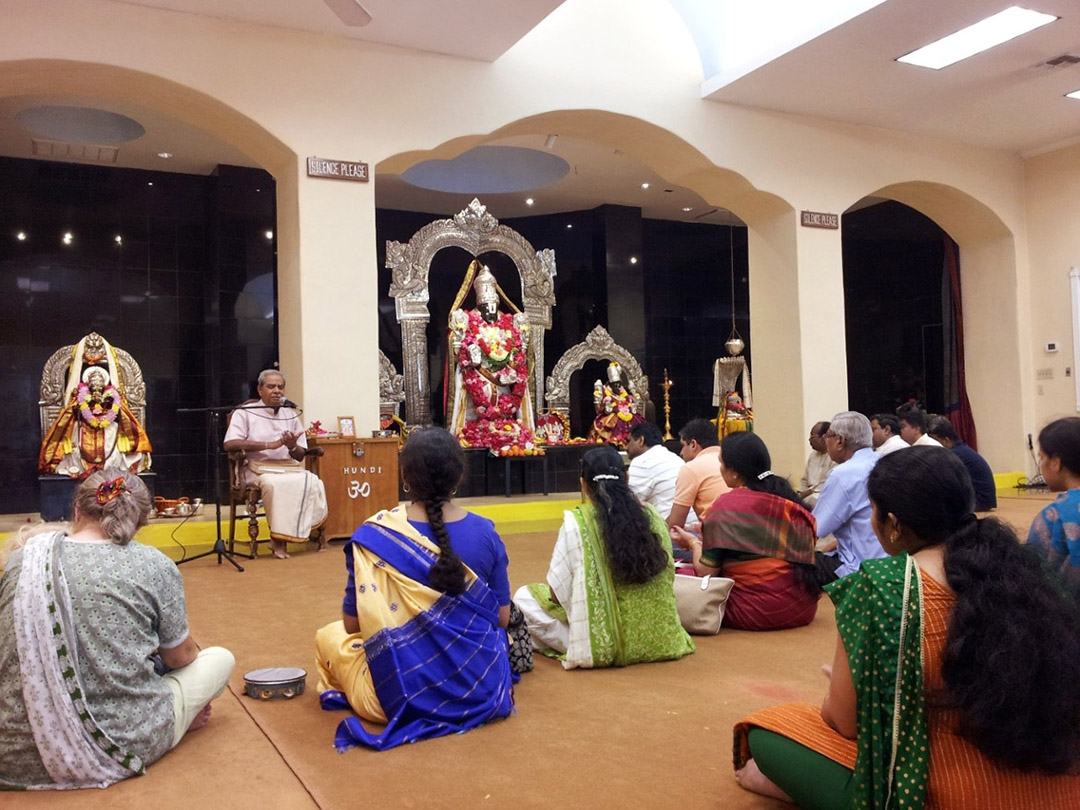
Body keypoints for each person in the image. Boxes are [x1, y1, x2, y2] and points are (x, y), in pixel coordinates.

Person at [733, 447, 1080, 809]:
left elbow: (845, 722)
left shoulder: (883, 587)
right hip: (1059, 779)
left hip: (945, 791)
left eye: (873, 512)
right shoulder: (1024, 572)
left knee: (769, 728)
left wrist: (844, 687)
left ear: (894, 524)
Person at [0, 471, 234, 790]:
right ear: (139, 522)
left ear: (77, 511)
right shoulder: (154, 563)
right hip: (121, 742)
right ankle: (177, 721)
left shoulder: (24, 558)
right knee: (220, 658)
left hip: (11, 754)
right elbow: (180, 658)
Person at [314, 427, 514, 750]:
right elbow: (502, 619)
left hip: (397, 698)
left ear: (404, 476)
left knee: (329, 636)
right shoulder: (486, 532)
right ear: (459, 476)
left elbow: (353, 626)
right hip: (481, 686)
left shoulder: (376, 536)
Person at [514, 445, 694, 669]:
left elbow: (556, 593)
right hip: (662, 638)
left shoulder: (577, 523)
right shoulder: (654, 516)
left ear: (583, 484)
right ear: (627, 479)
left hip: (606, 645)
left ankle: (582, 643)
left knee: (524, 598)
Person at [671, 432, 821, 631]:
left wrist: (694, 543)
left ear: (734, 472)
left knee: (682, 573)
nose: (720, 469)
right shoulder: (789, 500)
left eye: (721, 463)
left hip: (756, 610)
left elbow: (706, 571)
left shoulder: (727, 505)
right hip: (802, 607)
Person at [223, 369, 328, 559]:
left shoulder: (290, 414)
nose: (277, 391)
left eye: (280, 387)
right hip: (256, 469)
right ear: (260, 389)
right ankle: (278, 539)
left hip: (287, 467)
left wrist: (291, 445)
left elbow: (299, 456)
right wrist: (269, 445)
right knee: (274, 484)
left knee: (313, 481)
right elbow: (230, 443)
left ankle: (299, 532)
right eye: (271, 386)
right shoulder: (244, 413)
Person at [448, 262, 537, 454]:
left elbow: (517, 351)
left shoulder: (507, 323)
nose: (490, 311)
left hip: (505, 376)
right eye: (485, 307)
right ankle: (473, 433)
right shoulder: (468, 321)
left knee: (506, 400)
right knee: (478, 394)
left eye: (493, 306)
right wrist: (471, 353)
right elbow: (458, 352)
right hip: (478, 375)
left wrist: (512, 366)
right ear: (479, 306)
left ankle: (506, 427)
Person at [39, 332, 152, 478]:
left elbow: (121, 412)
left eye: (100, 380)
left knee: (114, 437)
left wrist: (109, 408)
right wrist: (81, 406)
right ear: (88, 382)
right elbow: (71, 412)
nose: (97, 383)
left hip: (107, 425)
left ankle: (110, 469)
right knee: (76, 441)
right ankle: (81, 467)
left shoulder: (111, 395)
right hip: (85, 424)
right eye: (94, 380)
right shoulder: (80, 394)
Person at [813, 412, 886, 581]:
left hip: (859, 568)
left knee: (794, 562)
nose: (826, 441)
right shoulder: (882, 461)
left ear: (840, 441)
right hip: (887, 562)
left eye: (827, 436)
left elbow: (815, 528)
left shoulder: (844, 474)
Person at [1028, 417, 1080, 600]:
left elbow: (1032, 577)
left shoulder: (1053, 517)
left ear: (1056, 462)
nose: (1041, 465)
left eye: (1042, 457)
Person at [667, 418, 729, 530]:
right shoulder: (731, 458)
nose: (681, 453)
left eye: (683, 445)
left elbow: (675, 524)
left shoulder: (691, 468)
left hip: (720, 536)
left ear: (693, 444)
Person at [927, 415, 997, 511]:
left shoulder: (955, 454)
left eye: (935, 441)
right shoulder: (961, 449)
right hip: (984, 498)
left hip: (980, 500)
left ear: (946, 440)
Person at [626, 421, 684, 521]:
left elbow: (629, 504)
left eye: (628, 441)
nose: (626, 447)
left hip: (670, 529)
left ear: (641, 440)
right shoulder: (674, 457)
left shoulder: (643, 461)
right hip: (689, 526)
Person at [588, 361, 645, 446]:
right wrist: (612, 407)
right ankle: (616, 440)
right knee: (614, 421)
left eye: (619, 384)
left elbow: (630, 403)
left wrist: (630, 404)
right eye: (615, 385)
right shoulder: (607, 395)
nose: (618, 387)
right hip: (613, 415)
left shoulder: (624, 394)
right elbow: (604, 410)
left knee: (637, 420)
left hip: (627, 414)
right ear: (610, 385)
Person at [798, 421, 836, 508]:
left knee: (813, 500)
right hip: (807, 495)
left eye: (812, 436)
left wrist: (808, 492)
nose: (809, 439)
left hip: (823, 495)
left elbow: (828, 482)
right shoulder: (813, 455)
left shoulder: (835, 455)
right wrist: (799, 493)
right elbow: (804, 480)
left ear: (824, 437)